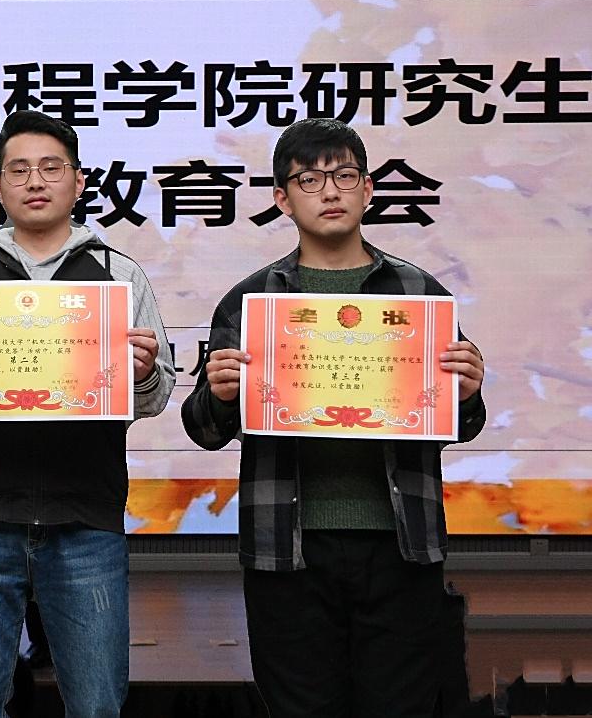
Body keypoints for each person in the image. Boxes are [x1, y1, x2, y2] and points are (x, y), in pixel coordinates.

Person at [181, 118, 486, 718]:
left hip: (401, 546)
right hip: (286, 548)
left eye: (344, 176)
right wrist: (219, 394)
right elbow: (205, 430)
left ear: (367, 190)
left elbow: (461, 424)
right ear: (282, 198)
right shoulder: (251, 300)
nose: (329, 191)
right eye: (309, 179)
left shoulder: (418, 292)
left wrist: (469, 391)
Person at [0, 110, 175, 718]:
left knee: (97, 706)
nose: (35, 181)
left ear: (79, 181)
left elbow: (157, 396)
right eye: (18, 170)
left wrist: (144, 372)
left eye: (51, 167)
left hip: (85, 518)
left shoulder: (119, 275)